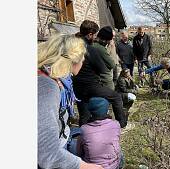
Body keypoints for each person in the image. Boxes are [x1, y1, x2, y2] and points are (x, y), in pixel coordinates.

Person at [38, 34, 103, 169]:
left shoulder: (53, 78)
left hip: (63, 136)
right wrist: (85, 166)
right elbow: (48, 154)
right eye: (83, 56)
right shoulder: (46, 86)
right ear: (74, 60)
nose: (84, 59)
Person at [73, 21, 127, 128]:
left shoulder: (74, 46)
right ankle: (121, 124)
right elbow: (102, 69)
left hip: (77, 86)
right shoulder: (90, 49)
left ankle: (83, 134)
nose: (96, 37)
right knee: (116, 97)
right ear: (89, 35)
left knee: (84, 114)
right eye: (95, 34)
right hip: (91, 85)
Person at [77, 97, 124, 169]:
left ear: (90, 111)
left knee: (73, 145)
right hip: (114, 166)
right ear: (107, 110)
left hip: (92, 167)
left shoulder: (84, 129)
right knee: (121, 153)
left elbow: (79, 153)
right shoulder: (116, 124)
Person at [93, 26, 116, 90]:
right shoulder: (100, 48)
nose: (109, 42)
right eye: (109, 40)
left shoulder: (92, 45)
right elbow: (112, 64)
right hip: (104, 81)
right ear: (104, 39)